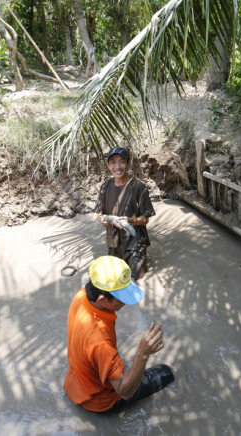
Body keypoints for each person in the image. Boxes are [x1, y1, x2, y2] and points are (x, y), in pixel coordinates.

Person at [63, 256, 174, 414]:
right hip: (101, 402)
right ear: (102, 299)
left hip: (75, 383)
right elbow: (124, 391)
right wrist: (142, 354)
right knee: (166, 373)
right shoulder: (100, 342)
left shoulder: (81, 296)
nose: (125, 303)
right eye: (121, 298)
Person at [95, 147, 155, 280]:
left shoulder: (139, 187)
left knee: (136, 277)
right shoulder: (104, 187)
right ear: (108, 165)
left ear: (128, 163)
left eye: (122, 161)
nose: (118, 166)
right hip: (114, 241)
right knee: (115, 277)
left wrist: (130, 221)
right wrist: (103, 221)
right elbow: (100, 214)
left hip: (135, 241)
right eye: (113, 162)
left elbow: (145, 219)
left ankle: (139, 257)